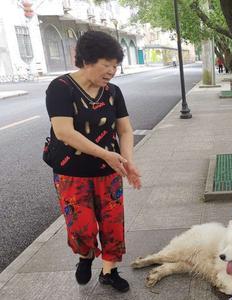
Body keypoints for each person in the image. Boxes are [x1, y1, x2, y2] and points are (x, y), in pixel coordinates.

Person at [45, 31, 142, 292]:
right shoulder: (60, 88)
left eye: (115, 65)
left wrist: (127, 161)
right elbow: (64, 132)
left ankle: (109, 272)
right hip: (71, 173)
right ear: (87, 60)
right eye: (106, 64)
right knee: (82, 226)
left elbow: (125, 130)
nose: (112, 71)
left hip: (108, 173)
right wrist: (106, 154)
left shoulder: (113, 92)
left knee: (112, 224)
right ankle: (86, 256)